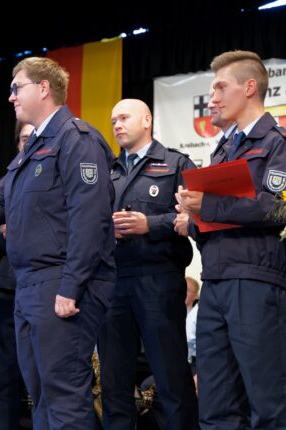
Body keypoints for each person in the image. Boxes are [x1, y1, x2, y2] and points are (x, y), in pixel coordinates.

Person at [0, 56, 116, 429]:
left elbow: (90, 218)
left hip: (60, 282)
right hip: (28, 285)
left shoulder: (77, 140)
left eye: (17, 88)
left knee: (63, 396)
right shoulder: (31, 150)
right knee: (40, 392)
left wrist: (71, 286)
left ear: (43, 88)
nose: (11, 97)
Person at [174, 50, 286, 430]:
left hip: (256, 283)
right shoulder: (221, 149)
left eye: (220, 87)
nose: (212, 97)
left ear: (250, 88)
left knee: (267, 405)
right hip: (215, 283)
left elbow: (284, 210)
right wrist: (194, 218)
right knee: (215, 407)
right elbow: (221, 215)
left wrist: (210, 205)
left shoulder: (280, 145)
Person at [97, 98, 198, 429]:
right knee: (114, 382)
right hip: (113, 283)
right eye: (113, 121)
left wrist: (149, 225)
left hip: (159, 279)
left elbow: (196, 216)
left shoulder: (176, 163)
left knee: (170, 378)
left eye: (124, 118)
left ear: (147, 120)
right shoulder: (106, 171)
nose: (117, 125)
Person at [0, 121, 34, 430]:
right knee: (3, 376)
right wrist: (9, 236)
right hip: (7, 289)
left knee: (44, 376)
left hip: (47, 289)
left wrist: (18, 232)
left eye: (35, 136)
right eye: (24, 138)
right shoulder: (5, 183)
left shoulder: (61, 179)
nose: (29, 141)